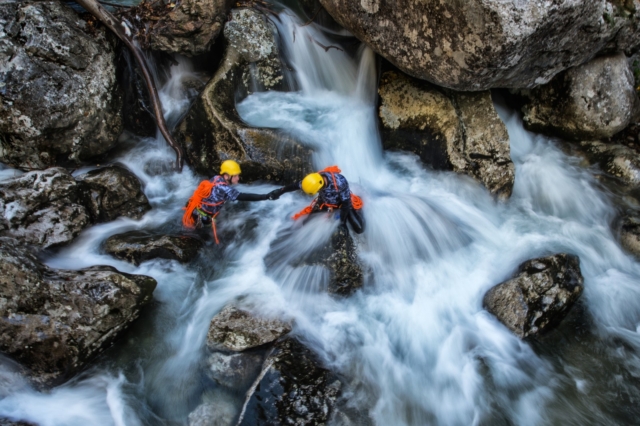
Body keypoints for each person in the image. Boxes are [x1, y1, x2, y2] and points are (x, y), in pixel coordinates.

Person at [182, 160, 280, 243]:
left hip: (196, 210)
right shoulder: (224, 188)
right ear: (226, 176)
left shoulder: (216, 178)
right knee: (201, 239)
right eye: (236, 176)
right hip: (201, 218)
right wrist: (265, 196)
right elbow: (242, 196)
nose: (238, 178)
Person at [271, 165, 365, 234]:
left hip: (342, 203)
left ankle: (360, 212)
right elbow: (295, 186)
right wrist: (280, 191)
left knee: (359, 229)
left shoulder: (340, 182)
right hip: (324, 202)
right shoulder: (312, 180)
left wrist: (342, 223)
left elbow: (346, 203)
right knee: (305, 224)